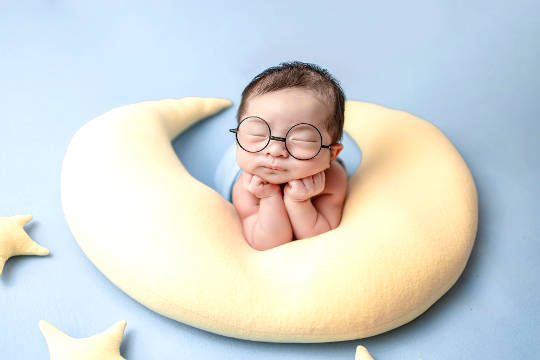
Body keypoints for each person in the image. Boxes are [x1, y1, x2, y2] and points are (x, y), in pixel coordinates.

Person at [230, 61, 347, 251]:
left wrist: (299, 203)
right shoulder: (246, 185)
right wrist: (268, 198)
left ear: (332, 154)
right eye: (257, 133)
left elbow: (319, 239)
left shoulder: (333, 179)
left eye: (302, 140)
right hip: (250, 156)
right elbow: (267, 244)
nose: (275, 150)